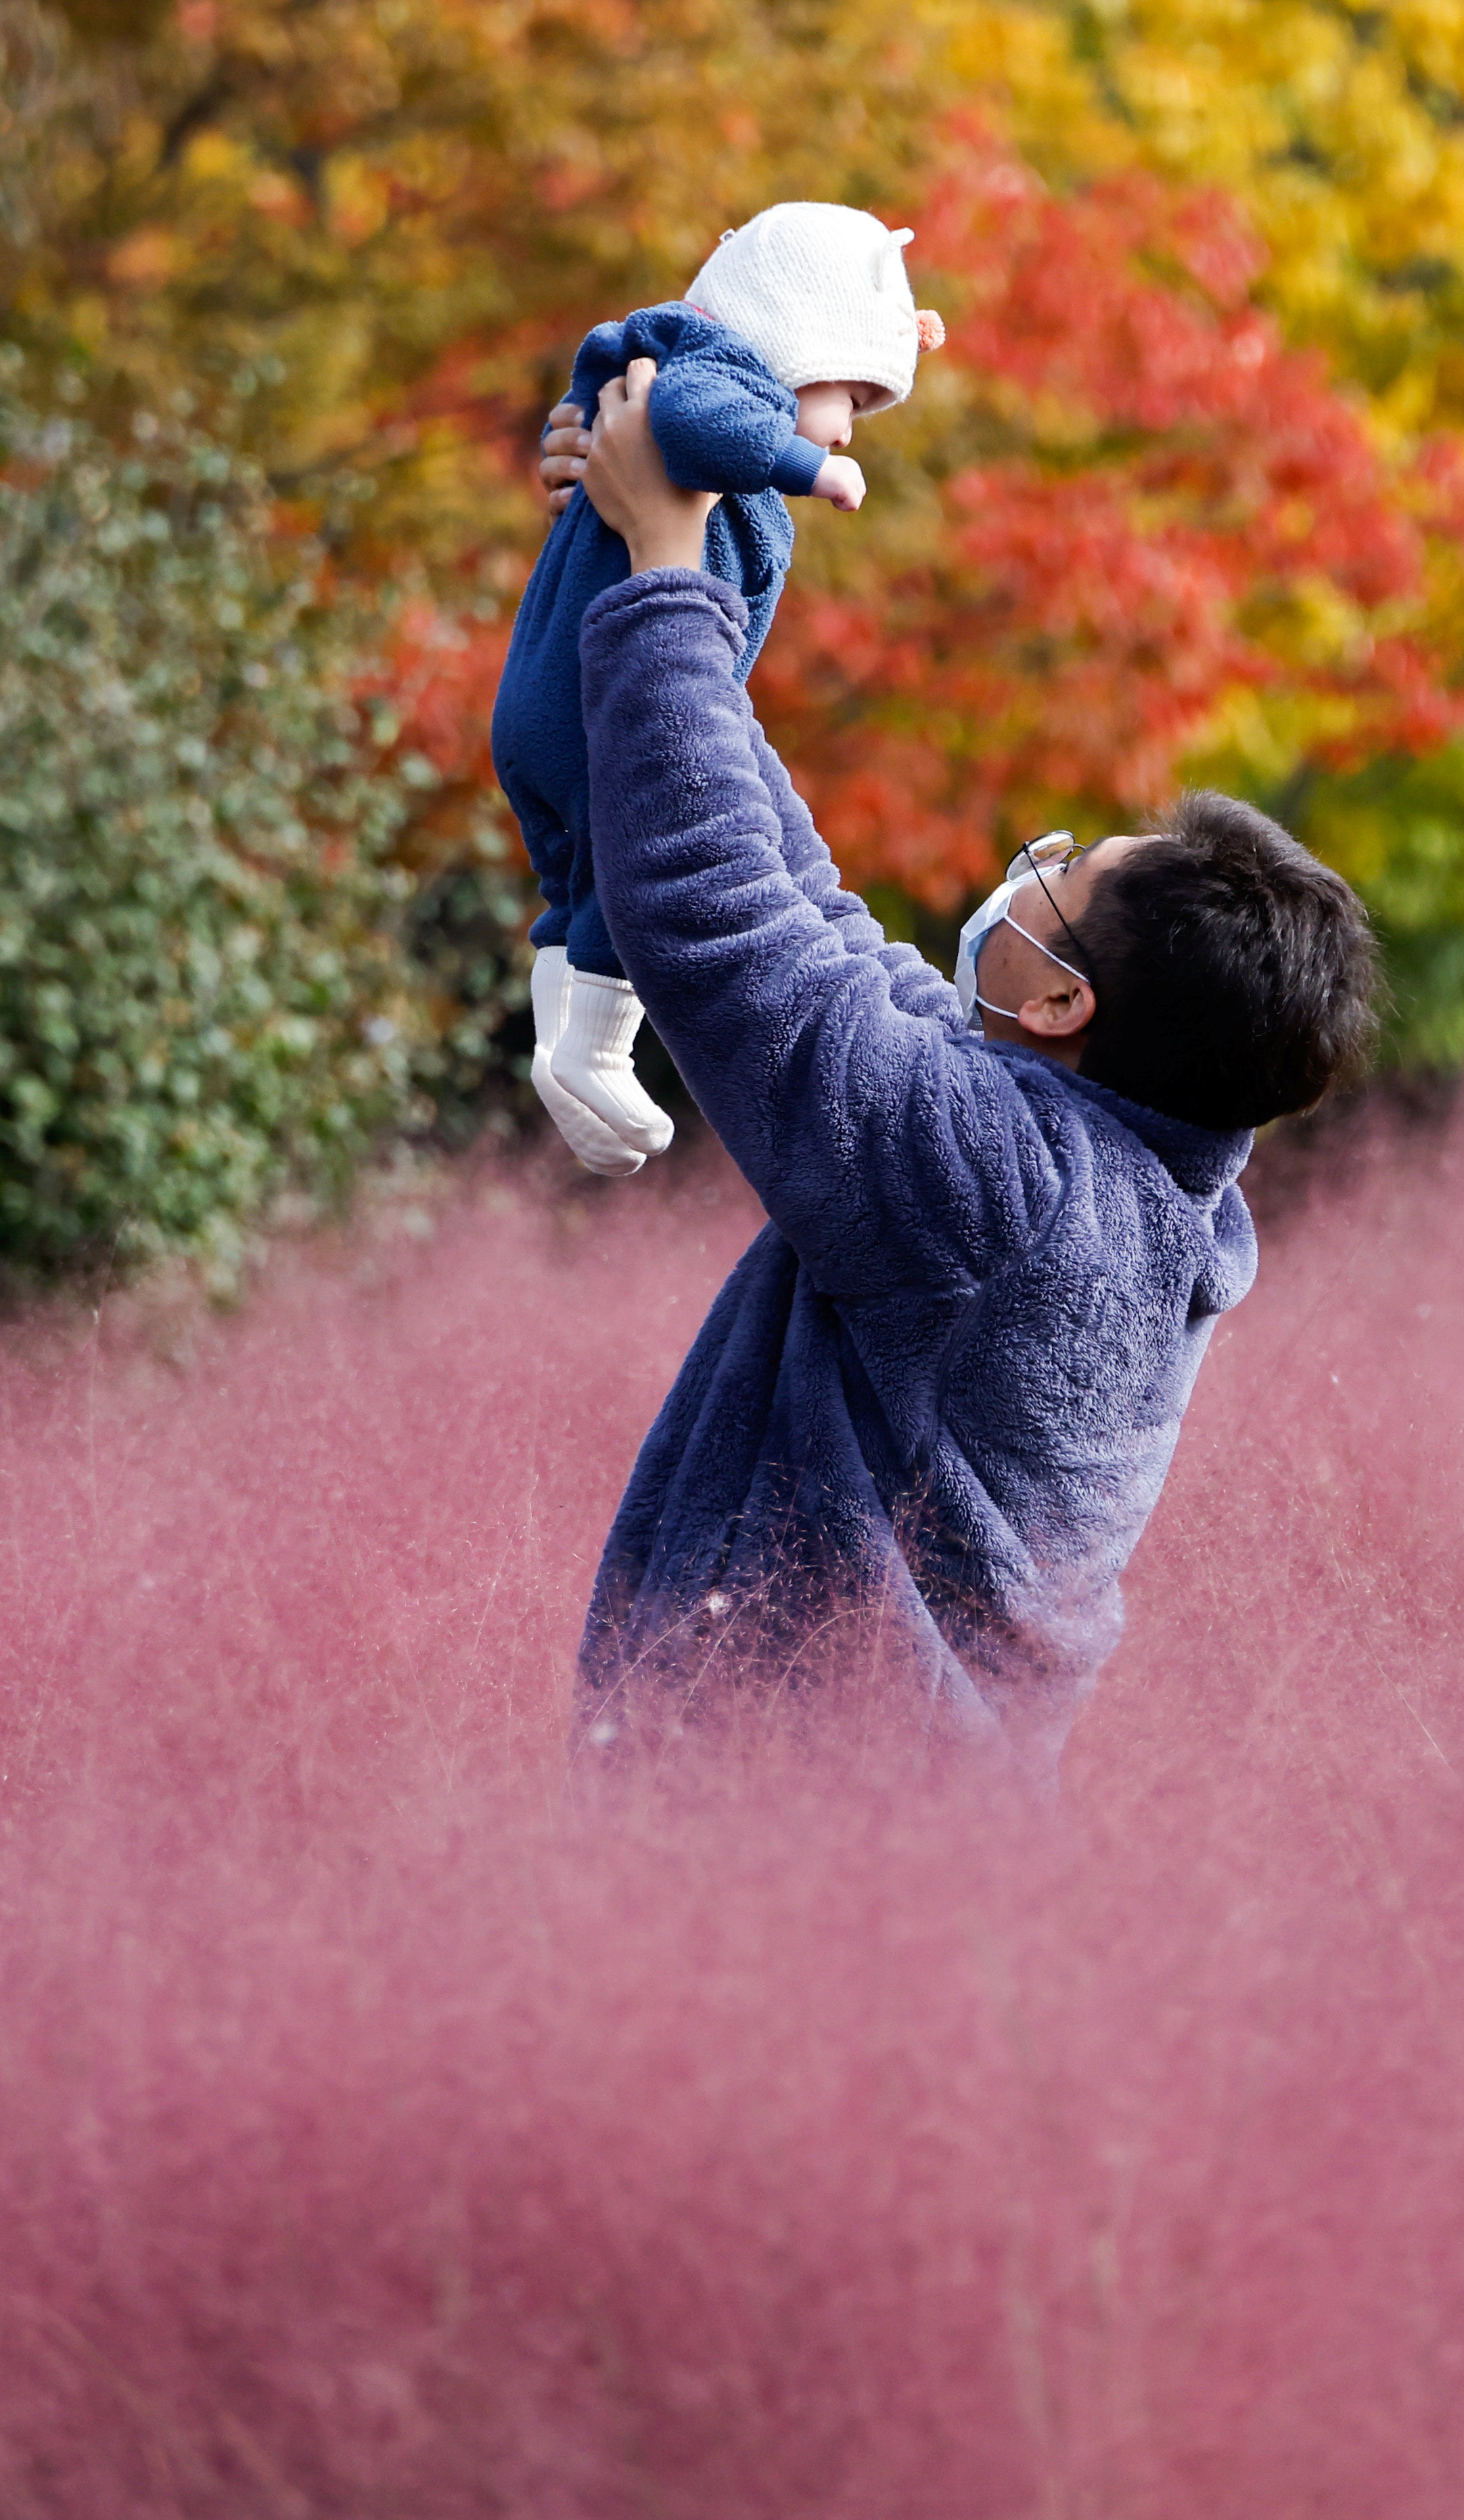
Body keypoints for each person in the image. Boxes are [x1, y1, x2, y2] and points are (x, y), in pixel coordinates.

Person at [539, 359, 1384, 1785]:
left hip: (804, 1831)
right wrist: (655, 551)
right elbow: (812, 917)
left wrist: (669, 575)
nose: (1036, 856)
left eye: (1066, 873)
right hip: (904, 1824)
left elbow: (721, 922)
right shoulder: (1093, 1165)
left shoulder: (1000, 1188)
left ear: (1059, 998)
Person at [488, 202, 948, 1181]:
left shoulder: (656, 350)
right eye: (853, 400)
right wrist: (811, 464)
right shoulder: (720, 384)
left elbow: (596, 365)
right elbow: (706, 421)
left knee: (571, 879)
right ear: (800, 345)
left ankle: (557, 1038)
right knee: (625, 854)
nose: (852, 424)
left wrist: (569, 433)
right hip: (597, 705)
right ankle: (596, 1050)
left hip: (539, 697)